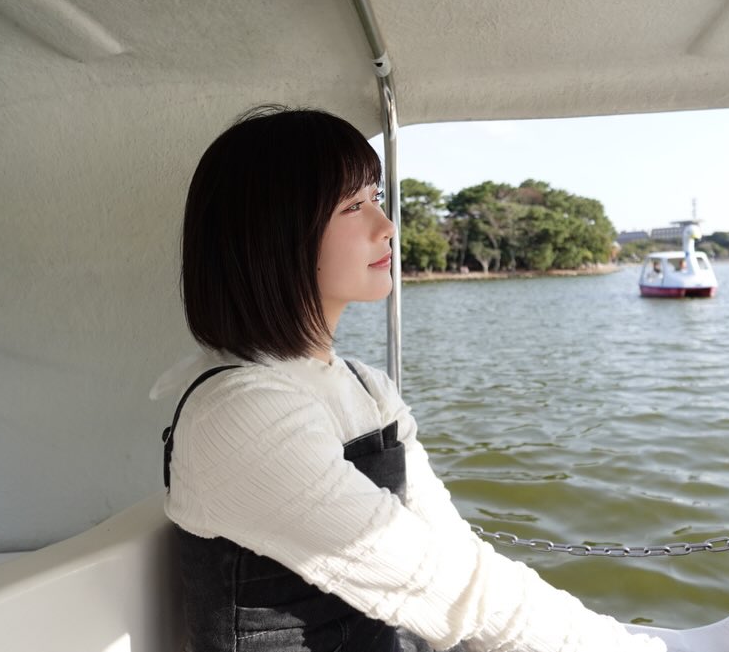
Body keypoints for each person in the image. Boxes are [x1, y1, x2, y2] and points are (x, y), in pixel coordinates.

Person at [153, 106, 667, 652]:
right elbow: (442, 590)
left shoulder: (367, 387)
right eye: (353, 206)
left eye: (375, 197)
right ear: (274, 237)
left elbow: (450, 552)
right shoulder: (240, 415)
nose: (387, 225)